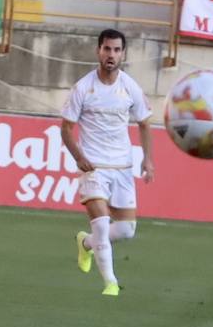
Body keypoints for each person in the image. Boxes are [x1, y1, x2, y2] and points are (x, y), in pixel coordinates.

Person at [60, 28, 154, 296]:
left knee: (126, 230)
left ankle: (85, 244)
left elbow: (145, 124)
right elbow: (66, 128)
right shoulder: (83, 87)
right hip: (94, 167)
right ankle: (111, 282)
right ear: (98, 51)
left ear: (122, 54)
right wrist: (80, 158)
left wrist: (148, 159)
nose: (111, 54)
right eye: (107, 49)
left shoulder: (130, 87)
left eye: (116, 50)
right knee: (101, 223)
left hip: (122, 167)